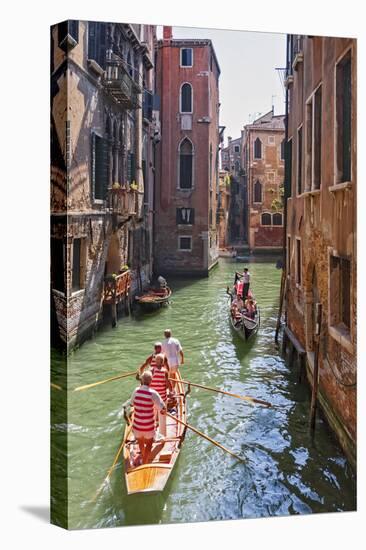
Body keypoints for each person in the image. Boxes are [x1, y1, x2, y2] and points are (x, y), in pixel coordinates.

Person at [130, 370, 166, 465]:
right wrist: (164, 410)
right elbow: (162, 408)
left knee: (140, 442)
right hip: (148, 428)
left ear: (141, 380)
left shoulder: (136, 391)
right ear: (151, 381)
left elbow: (131, 404)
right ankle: (145, 463)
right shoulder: (153, 393)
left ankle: (143, 456)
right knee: (149, 444)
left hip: (137, 426)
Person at [150, 353, 172, 437]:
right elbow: (168, 383)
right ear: (163, 362)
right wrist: (171, 391)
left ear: (155, 361)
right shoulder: (165, 371)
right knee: (162, 417)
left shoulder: (151, 370)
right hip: (162, 398)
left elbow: (148, 382)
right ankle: (163, 435)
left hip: (152, 398)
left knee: (151, 416)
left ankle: (152, 434)